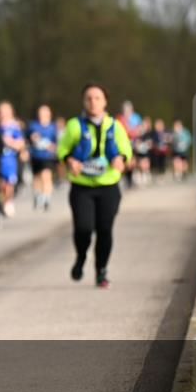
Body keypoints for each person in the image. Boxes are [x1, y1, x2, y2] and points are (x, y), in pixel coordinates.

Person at [58, 83, 133, 288]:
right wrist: (69, 160)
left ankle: (101, 270)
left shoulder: (115, 126)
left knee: (104, 230)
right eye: (89, 98)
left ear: (105, 101)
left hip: (108, 185)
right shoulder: (74, 125)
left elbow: (126, 149)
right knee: (83, 229)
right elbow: (62, 149)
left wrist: (121, 159)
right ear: (83, 102)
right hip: (81, 187)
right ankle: (81, 256)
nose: (93, 102)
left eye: (97, 98)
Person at [0, 101, 25, 217]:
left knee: (9, 182)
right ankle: (0, 200)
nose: (3, 113)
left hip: (9, 158)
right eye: (1, 111)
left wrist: (11, 143)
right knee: (0, 182)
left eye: (6, 111)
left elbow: (21, 143)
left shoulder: (14, 126)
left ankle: (8, 202)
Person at [27, 104, 58, 211]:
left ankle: (46, 198)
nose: (42, 114)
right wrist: (32, 138)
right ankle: (37, 195)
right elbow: (28, 137)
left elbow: (56, 141)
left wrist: (53, 146)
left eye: (45, 112)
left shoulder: (52, 127)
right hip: (36, 155)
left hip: (48, 156)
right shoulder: (33, 125)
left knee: (46, 176)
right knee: (37, 177)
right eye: (41, 112)